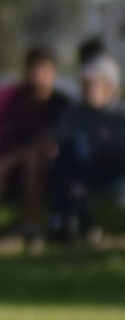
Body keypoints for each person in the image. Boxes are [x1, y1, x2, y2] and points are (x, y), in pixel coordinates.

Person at [0, 46, 71, 246]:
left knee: (30, 162)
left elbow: (57, 145)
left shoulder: (62, 106)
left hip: (45, 171)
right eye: (35, 69)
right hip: (4, 168)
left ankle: (31, 225)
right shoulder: (7, 98)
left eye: (44, 70)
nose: (39, 75)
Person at [48, 53, 125, 243]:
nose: (87, 90)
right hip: (81, 171)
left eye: (93, 85)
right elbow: (59, 142)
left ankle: (74, 222)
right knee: (66, 159)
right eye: (84, 85)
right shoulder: (74, 115)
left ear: (110, 87)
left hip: (115, 170)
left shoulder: (120, 116)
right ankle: (66, 223)